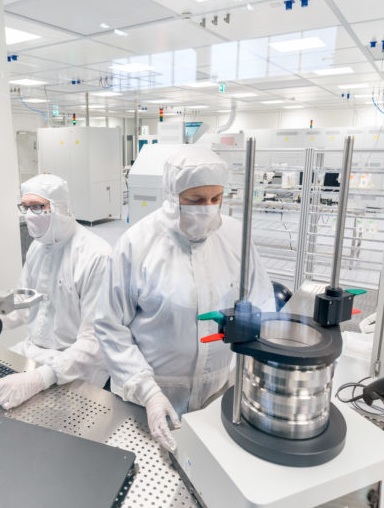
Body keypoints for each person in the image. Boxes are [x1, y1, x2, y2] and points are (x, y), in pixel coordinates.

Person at [95, 146, 275, 452]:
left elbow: (263, 304)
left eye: (215, 199)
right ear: (172, 195)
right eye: (194, 200)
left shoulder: (235, 237)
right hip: (145, 402)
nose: (207, 208)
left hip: (216, 398)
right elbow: (110, 326)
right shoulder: (137, 244)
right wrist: (148, 393)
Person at [0, 174, 110, 409]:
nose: (30, 214)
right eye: (25, 207)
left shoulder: (96, 256)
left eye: (37, 207)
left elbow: (95, 340)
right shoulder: (37, 248)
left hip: (76, 366)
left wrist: (40, 378)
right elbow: (23, 299)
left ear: (60, 208)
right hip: (32, 353)